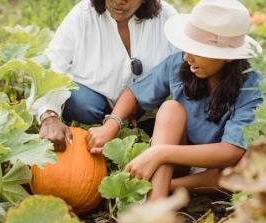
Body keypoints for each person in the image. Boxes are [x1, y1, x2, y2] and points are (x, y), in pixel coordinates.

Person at [85, 0, 264, 200]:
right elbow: (134, 92)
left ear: (229, 56)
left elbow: (230, 152)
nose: (187, 57)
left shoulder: (252, 86)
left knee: (250, 166)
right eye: (187, 48)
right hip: (180, 159)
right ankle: (156, 205)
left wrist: (160, 153)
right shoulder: (180, 63)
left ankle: (166, 187)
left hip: (221, 170)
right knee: (170, 108)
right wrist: (112, 124)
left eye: (197, 51)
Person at [28, 0, 178, 152]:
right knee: (78, 102)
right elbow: (51, 64)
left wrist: (141, 101)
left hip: (144, 112)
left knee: (167, 114)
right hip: (93, 107)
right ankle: (99, 132)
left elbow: (183, 68)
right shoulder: (82, 16)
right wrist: (48, 114)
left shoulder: (166, 18)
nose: (119, 1)